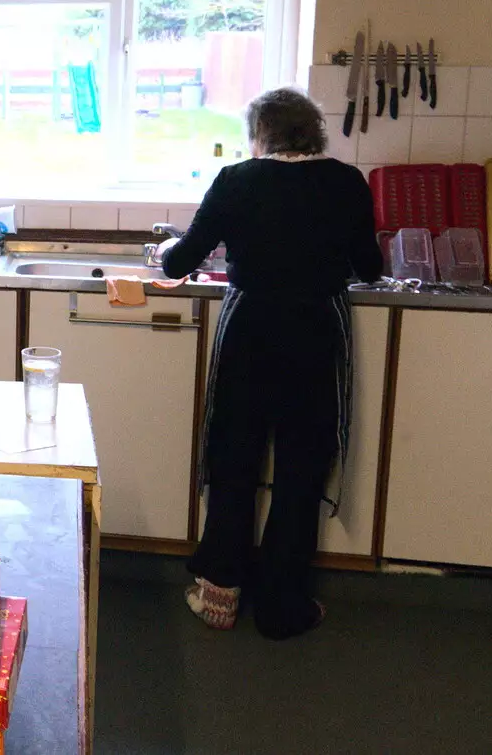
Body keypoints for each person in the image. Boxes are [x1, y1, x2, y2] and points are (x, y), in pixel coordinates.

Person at [159, 87, 382, 640]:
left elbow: (180, 262)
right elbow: (370, 268)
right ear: (315, 132)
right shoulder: (347, 181)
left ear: (260, 134)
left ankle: (220, 595)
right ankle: (284, 607)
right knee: (301, 468)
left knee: (235, 457)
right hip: (315, 330)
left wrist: (162, 252)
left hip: (249, 330)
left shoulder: (237, 180)